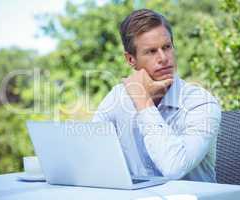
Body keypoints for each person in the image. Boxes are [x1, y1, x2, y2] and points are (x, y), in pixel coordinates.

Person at [92, 9, 221, 182]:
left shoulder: (200, 103)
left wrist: (143, 102)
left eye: (167, 47)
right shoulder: (117, 97)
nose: (163, 58)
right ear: (131, 60)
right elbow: (91, 153)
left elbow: (173, 168)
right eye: (151, 51)